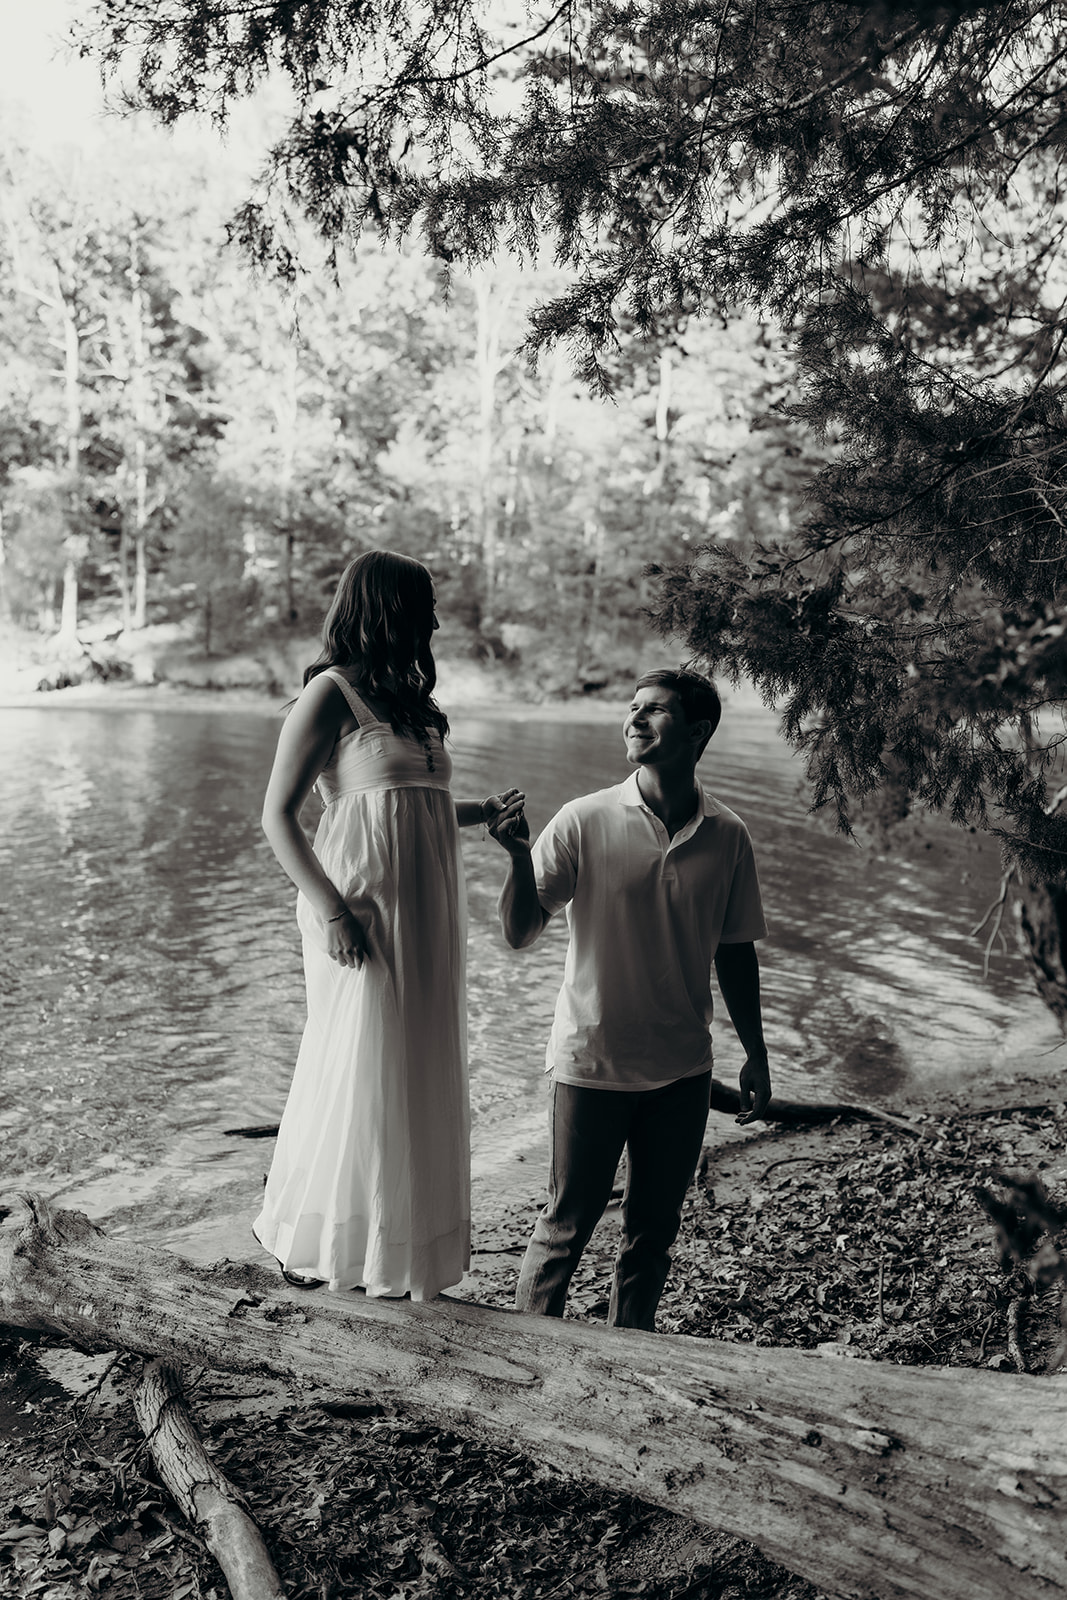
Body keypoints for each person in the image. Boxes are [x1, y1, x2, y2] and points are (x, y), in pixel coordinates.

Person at [254, 550, 524, 1299]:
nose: (434, 621)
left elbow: (411, 802)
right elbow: (277, 818)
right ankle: (327, 1241)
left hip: (428, 913)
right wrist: (331, 909)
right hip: (360, 910)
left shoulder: (409, 699)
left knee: (413, 1068)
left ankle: (399, 1249)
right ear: (387, 609)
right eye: (424, 606)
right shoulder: (328, 695)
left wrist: (481, 815)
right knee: (356, 1067)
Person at [489, 667, 771, 1331]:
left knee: (651, 1233)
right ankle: (528, 1360)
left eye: (655, 711)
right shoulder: (582, 820)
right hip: (591, 1061)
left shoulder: (726, 835)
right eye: (632, 708)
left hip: (681, 1070)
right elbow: (519, 930)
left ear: (697, 732)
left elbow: (734, 950)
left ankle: (630, 1357)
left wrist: (755, 1053)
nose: (634, 720)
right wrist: (515, 857)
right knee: (566, 1226)